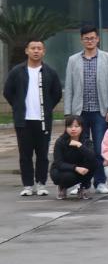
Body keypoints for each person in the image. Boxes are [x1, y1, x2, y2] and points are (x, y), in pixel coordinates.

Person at [4, 38, 62, 197]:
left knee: (42, 154)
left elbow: (56, 93)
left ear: (44, 51)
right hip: (24, 121)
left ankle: (41, 184)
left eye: (39, 48)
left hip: (43, 120)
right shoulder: (17, 71)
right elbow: (8, 92)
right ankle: (28, 185)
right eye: (33, 48)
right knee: (25, 155)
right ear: (27, 50)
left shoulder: (49, 72)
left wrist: (47, 107)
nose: (36, 51)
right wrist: (18, 106)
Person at [64, 24, 108, 195]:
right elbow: (69, 87)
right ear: (81, 40)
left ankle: (100, 182)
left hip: (100, 112)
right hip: (79, 112)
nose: (89, 41)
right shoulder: (73, 60)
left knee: (100, 149)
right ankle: (80, 183)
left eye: (92, 38)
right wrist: (69, 113)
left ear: (98, 39)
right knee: (78, 149)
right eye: (86, 38)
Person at [50, 116, 98, 200]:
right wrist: (75, 168)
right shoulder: (60, 141)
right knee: (69, 176)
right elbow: (59, 163)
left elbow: (92, 157)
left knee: (94, 162)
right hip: (63, 170)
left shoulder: (86, 141)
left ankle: (84, 187)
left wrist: (79, 145)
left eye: (76, 126)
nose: (73, 129)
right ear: (66, 128)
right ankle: (62, 187)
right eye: (70, 126)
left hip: (81, 169)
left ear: (82, 127)